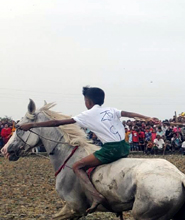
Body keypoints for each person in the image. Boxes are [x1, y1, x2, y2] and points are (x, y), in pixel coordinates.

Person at [17, 86, 159, 213]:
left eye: (85, 100)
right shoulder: (111, 110)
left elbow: (56, 122)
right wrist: (148, 118)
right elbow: (129, 114)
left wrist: (32, 126)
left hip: (111, 149)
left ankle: (96, 197)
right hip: (124, 147)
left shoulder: (87, 114)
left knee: (77, 166)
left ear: (88, 102)